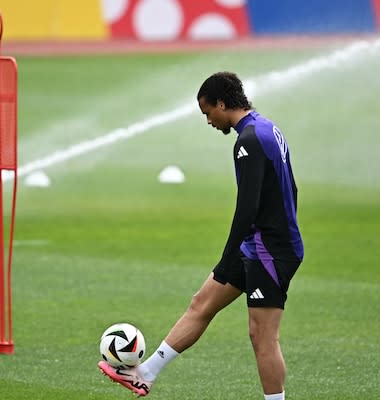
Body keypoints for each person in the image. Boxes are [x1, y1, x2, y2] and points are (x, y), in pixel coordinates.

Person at [98, 71, 304, 399]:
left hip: (268, 250)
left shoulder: (248, 141)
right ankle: (145, 374)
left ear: (222, 103)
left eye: (208, 112)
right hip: (258, 243)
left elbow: (246, 207)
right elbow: (290, 188)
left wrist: (231, 253)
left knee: (262, 337)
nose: (208, 121)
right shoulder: (267, 128)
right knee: (201, 304)